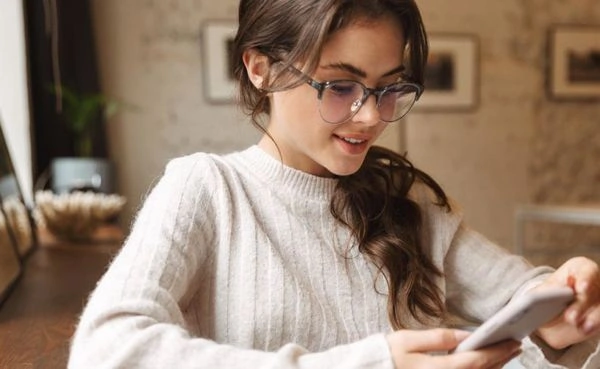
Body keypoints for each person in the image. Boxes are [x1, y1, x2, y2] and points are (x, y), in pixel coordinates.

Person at [68, 0, 600, 368]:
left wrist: (560, 301)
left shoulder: (406, 202)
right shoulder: (206, 190)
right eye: (341, 86)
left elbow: (518, 292)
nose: (370, 117)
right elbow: (107, 350)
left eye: (388, 88)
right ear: (260, 68)